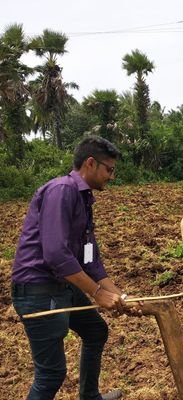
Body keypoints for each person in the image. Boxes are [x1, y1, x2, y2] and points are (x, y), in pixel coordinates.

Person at [11, 135, 131, 400]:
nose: (112, 176)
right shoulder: (62, 190)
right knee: (51, 373)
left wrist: (121, 295)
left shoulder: (84, 199)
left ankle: (90, 397)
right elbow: (56, 254)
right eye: (109, 169)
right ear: (91, 163)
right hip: (38, 290)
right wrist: (98, 294)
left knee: (95, 330)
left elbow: (90, 260)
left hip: (62, 284)